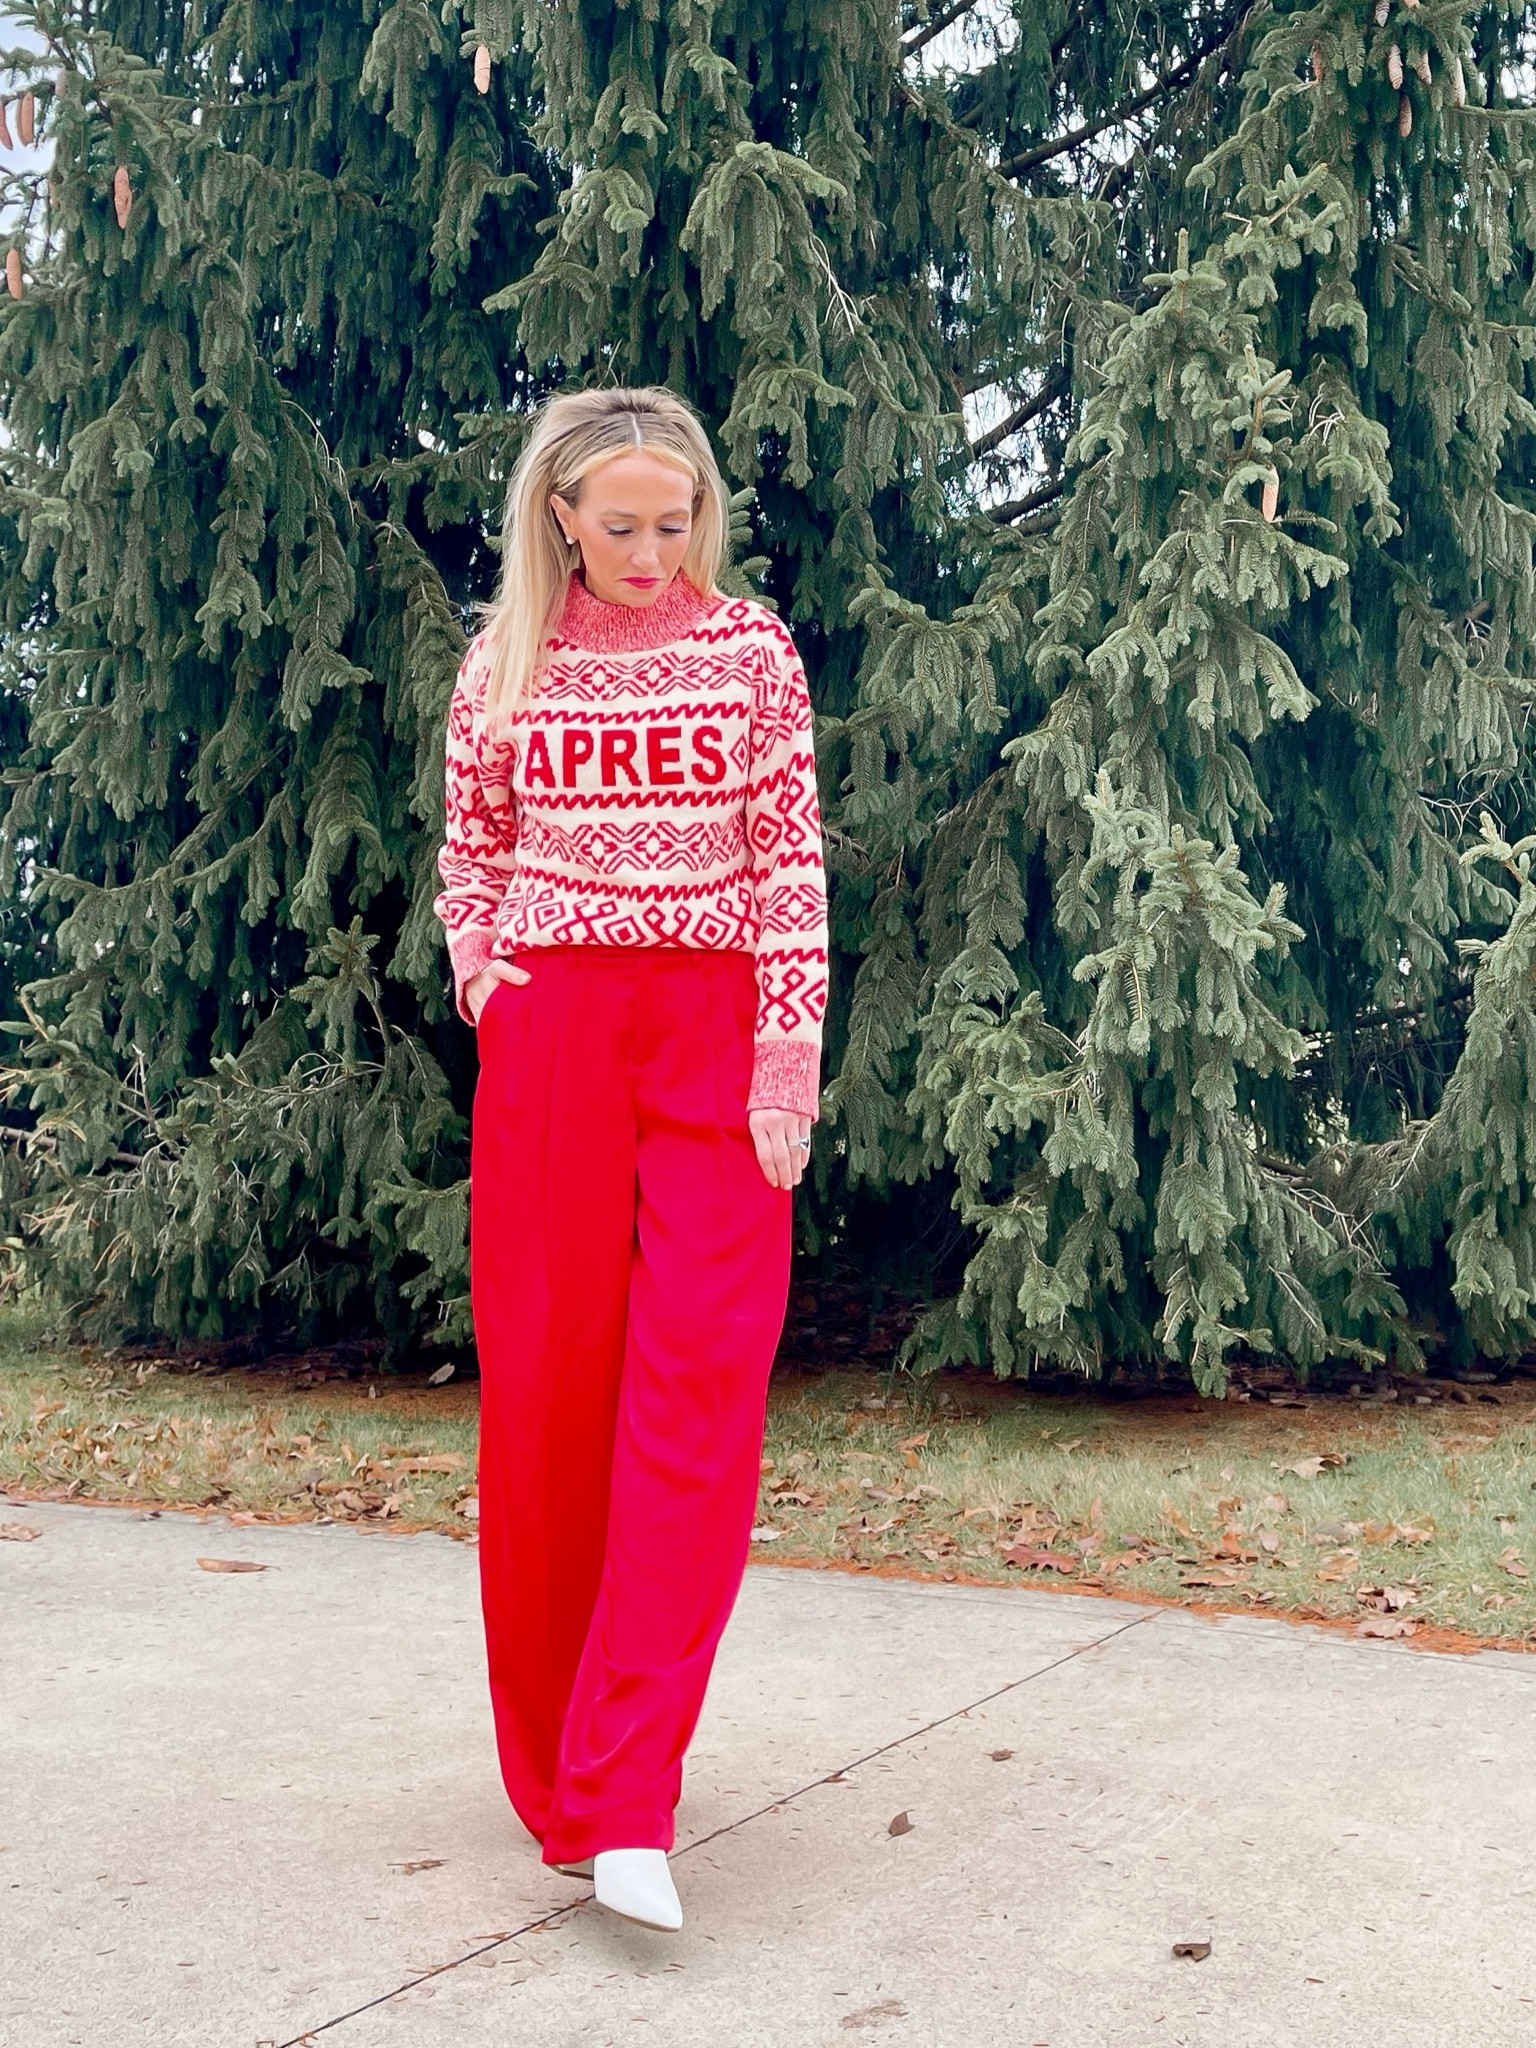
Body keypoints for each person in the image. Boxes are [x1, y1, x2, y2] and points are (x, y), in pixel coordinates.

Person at [432, 386, 828, 1932]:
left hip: (712, 1037)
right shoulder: (505, 664)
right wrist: (483, 973)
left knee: (700, 1396)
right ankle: (565, 1778)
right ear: (562, 520)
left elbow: (789, 865)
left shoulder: (753, 655)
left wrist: (785, 1053)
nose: (653, 551)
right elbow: (471, 846)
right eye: (622, 526)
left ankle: (625, 1791)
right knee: (550, 1398)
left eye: (677, 522)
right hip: (555, 1042)